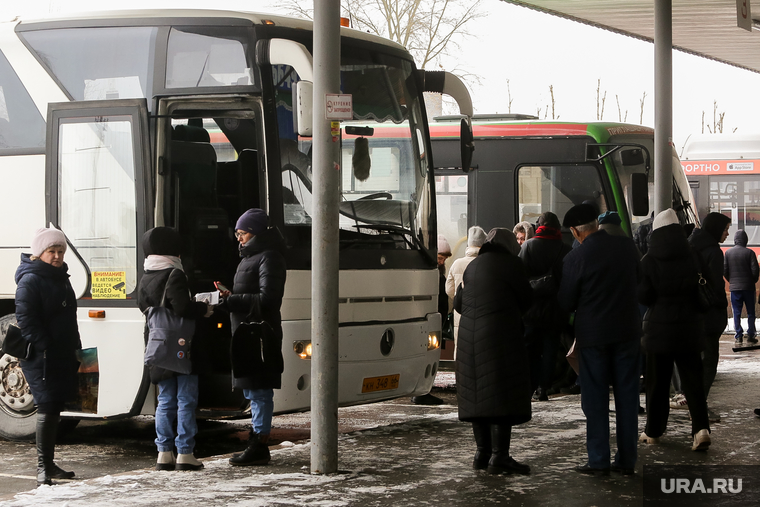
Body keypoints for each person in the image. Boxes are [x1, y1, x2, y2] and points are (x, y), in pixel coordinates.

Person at [557, 204, 641, 476]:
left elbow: (566, 302)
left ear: (575, 232)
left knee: (595, 400)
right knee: (627, 398)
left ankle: (599, 460)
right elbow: (640, 284)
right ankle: (627, 460)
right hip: (628, 333)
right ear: (596, 223)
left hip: (593, 338)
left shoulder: (575, 258)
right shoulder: (628, 248)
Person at [454, 228, 533, 475]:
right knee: (501, 392)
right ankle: (500, 456)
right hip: (498, 336)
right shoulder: (512, 264)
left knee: (478, 394)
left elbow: (458, 303)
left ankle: (482, 453)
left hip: (468, 337)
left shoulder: (472, 266)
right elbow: (527, 300)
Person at [137, 227, 213, 472]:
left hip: (158, 345)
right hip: (182, 346)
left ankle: (163, 453)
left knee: (165, 400)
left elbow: (143, 305)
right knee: (186, 400)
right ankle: (185, 452)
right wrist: (202, 308)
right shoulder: (174, 274)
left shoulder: (147, 273)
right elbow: (181, 308)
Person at [637, 209, 711, 451]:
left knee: (657, 383)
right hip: (689, 328)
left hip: (659, 330)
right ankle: (701, 430)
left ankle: (654, 431)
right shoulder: (692, 256)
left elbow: (645, 296)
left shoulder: (648, 260)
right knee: (693, 382)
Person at [15, 227, 82, 486]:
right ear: (39, 253)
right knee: (46, 405)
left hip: (61, 352)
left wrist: (75, 346)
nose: (56, 256)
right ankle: (43, 467)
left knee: (54, 406)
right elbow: (27, 321)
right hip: (40, 356)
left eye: (60, 251)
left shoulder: (60, 277)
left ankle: (50, 464)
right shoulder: (31, 279)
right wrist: (46, 346)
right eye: (51, 251)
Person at [220, 208, 287, 466]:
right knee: (252, 388)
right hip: (246, 333)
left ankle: (259, 443)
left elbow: (269, 299)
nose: (239, 238)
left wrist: (232, 300)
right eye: (237, 233)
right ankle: (258, 440)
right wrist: (230, 299)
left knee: (259, 390)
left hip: (259, 333)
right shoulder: (251, 257)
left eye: (243, 233)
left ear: (256, 232)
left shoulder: (269, 257)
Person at [518, 212, 571, 401]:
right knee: (551, 350)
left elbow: (520, 275)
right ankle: (544, 388)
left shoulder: (528, 246)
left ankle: (529, 387)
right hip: (555, 309)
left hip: (531, 308)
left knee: (530, 350)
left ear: (538, 225)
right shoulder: (565, 248)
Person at [688, 212, 730, 423]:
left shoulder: (691, 245)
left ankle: (695, 404)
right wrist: (722, 305)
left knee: (696, 362)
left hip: (692, 312)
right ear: (715, 229)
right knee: (709, 362)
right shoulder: (714, 251)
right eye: (725, 229)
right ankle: (699, 409)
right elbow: (716, 286)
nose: (727, 233)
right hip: (709, 315)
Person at [411, 235, 451, 405]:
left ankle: (423, 390)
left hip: (435, 319)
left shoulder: (435, 272)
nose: (442, 262)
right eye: (440, 258)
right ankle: (421, 391)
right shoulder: (430, 273)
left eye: (443, 259)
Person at [445, 226, 487, 355]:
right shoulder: (486, 263)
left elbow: (449, 290)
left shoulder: (457, 263)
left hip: (461, 313)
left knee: (461, 348)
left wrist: (459, 299)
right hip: (482, 313)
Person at [724, 229, 759, 344]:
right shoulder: (750, 253)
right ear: (746, 240)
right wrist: (752, 281)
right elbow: (755, 270)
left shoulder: (728, 253)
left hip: (735, 288)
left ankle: (738, 334)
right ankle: (751, 335)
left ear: (735, 240)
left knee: (736, 312)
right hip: (749, 288)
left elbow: (725, 270)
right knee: (750, 312)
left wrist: (732, 281)